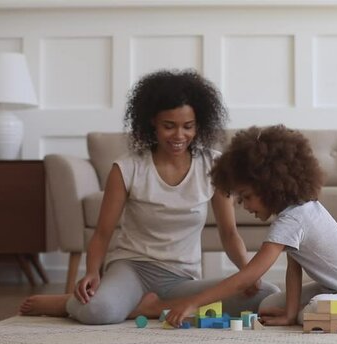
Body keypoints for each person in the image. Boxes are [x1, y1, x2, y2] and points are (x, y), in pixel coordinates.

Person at [19, 70, 279, 324]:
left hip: (182, 279)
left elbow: (229, 233)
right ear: (152, 122)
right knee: (98, 312)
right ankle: (68, 302)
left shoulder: (213, 164)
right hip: (132, 269)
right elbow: (102, 233)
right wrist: (91, 272)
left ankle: (152, 307)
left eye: (188, 127)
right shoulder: (128, 168)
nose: (179, 136)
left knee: (266, 294)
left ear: (199, 125)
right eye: (169, 126)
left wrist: (247, 271)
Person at [163, 124, 337, 328]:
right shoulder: (296, 211)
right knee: (268, 304)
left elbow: (248, 277)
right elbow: (294, 267)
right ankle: (301, 313)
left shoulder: (293, 220)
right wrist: (288, 314)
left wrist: (194, 303)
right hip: (334, 290)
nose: (245, 206)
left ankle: (311, 313)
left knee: (316, 311)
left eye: (247, 197)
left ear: (269, 186)